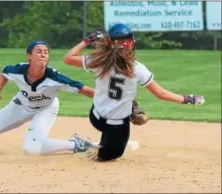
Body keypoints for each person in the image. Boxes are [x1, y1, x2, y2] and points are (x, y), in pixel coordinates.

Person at [62, 23, 205, 162]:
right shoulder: (136, 68)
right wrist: (187, 99)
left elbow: (68, 58)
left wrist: (87, 40)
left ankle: (129, 110)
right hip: (117, 126)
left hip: (95, 117)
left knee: (122, 102)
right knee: (109, 157)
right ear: (131, 43)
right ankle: (84, 146)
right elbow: (160, 94)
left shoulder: (99, 60)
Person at [0, 40, 97, 155]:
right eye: (39, 51)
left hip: (46, 109)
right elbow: (4, 72)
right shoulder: (18, 70)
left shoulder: (55, 78)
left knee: (31, 149)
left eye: (46, 52)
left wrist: (109, 97)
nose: (43, 54)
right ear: (29, 56)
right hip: (20, 105)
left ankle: (75, 144)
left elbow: (84, 90)